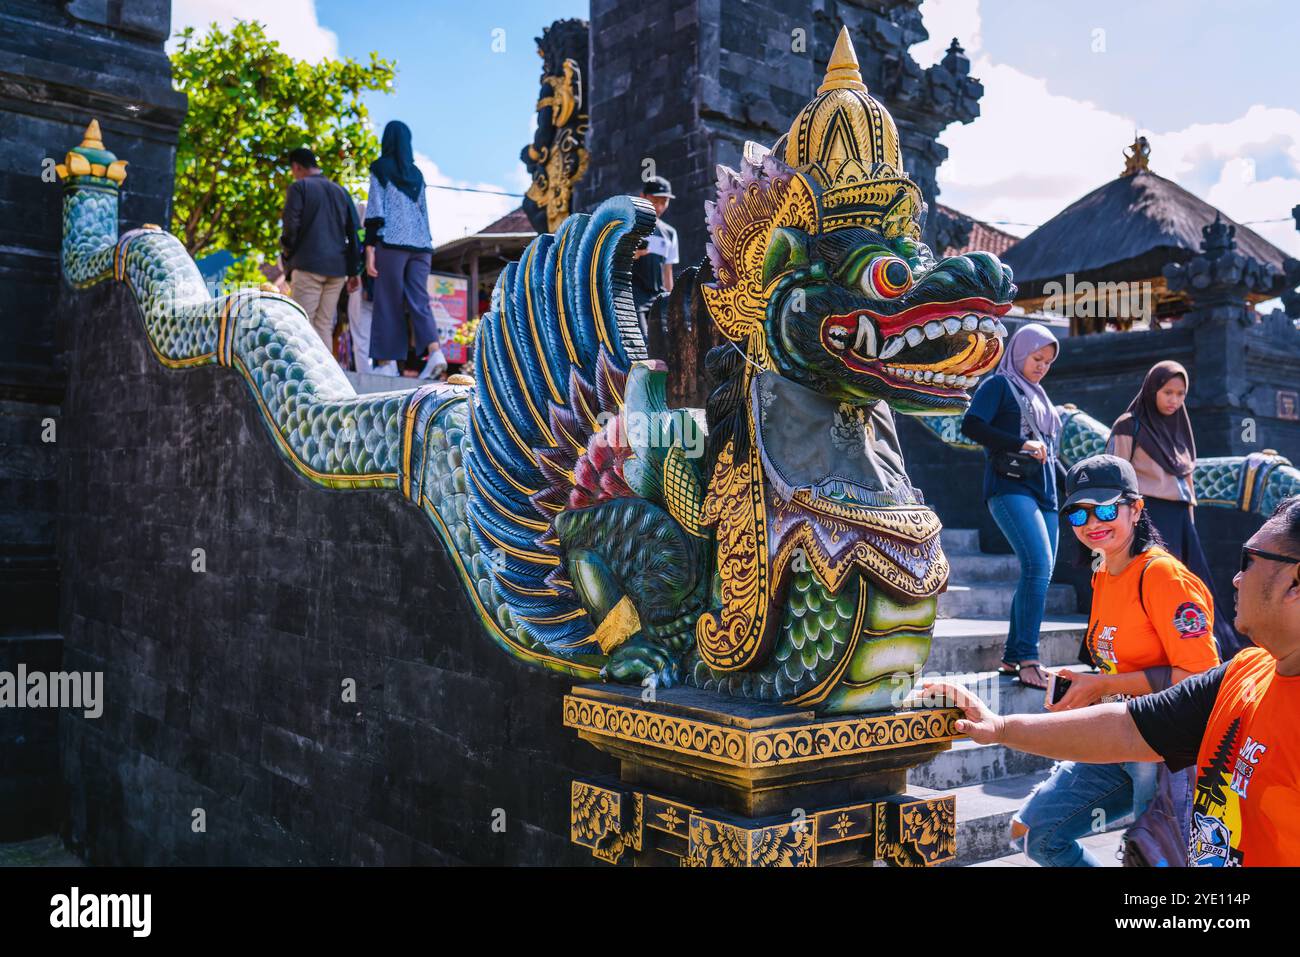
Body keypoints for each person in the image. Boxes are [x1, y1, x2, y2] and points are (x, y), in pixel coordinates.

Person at [927, 493, 1300, 867]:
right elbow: (1130, 727)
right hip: (1131, 746)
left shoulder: (1164, 575)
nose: (1235, 579)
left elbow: (1189, 671)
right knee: (1038, 832)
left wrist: (1103, 687)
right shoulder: (1244, 672)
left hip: (1158, 764)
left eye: (1247, 561)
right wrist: (1001, 727)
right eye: (1077, 513)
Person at [1107, 361, 1244, 657]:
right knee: (1148, 583)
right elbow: (1117, 478)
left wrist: (1190, 523)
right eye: (1167, 391)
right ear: (1153, 389)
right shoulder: (1129, 424)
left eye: (1181, 394)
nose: (1174, 400)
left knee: (1190, 584)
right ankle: (1139, 650)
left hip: (1181, 520)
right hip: (1147, 515)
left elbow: (1187, 483)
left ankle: (1202, 652)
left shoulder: (1180, 428)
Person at [961, 323, 1062, 690]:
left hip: (1046, 493)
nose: (1041, 367)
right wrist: (1019, 444)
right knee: (1037, 566)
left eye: (1048, 362)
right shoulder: (998, 385)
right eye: (1037, 358)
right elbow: (971, 425)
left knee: (1040, 572)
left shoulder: (1042, 398)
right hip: (1009, 487)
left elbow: (1050, 454)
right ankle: (1028, 658)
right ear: (1020, 353)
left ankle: (1012, 656)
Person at [364, 121, 445, 380]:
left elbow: (375, 210)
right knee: (419, 300)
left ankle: (387, 363)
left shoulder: (380, 168)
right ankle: (435, 352)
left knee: (388, 301)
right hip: (422, 247)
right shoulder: (417, 174)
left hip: (392, 244)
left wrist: (369, 248)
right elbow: (424, 213)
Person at [280, 147, 361, 351]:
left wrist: (287, 254)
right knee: (323, 325)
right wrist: (353, 271)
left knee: (300, 323)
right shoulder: (341, 191)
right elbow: (355, 233)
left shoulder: (299, 187)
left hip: (308, 265)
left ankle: (301, 378)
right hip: (337, 271)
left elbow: (291, 226)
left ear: (296, 167)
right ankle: (324, 378)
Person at [630, 175, 679, 343]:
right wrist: (635, 255)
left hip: (658, 298)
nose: (659, 206)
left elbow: (668, 271)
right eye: (655, 200)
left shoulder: (669, 233)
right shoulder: (629, 225)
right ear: (642, 197)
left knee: (666, 343)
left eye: (664, 201)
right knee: (642, 342)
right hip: (633, 297)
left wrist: (672, 302)